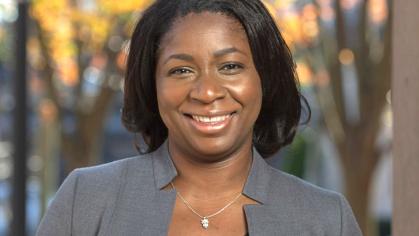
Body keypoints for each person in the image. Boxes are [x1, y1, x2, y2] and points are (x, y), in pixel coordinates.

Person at [36, 0, 361, 235]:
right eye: (181, 70)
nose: (207, 92)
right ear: (153, 86)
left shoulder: (326, 219)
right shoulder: (88, 198)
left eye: (230, 66)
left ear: (264, 78)